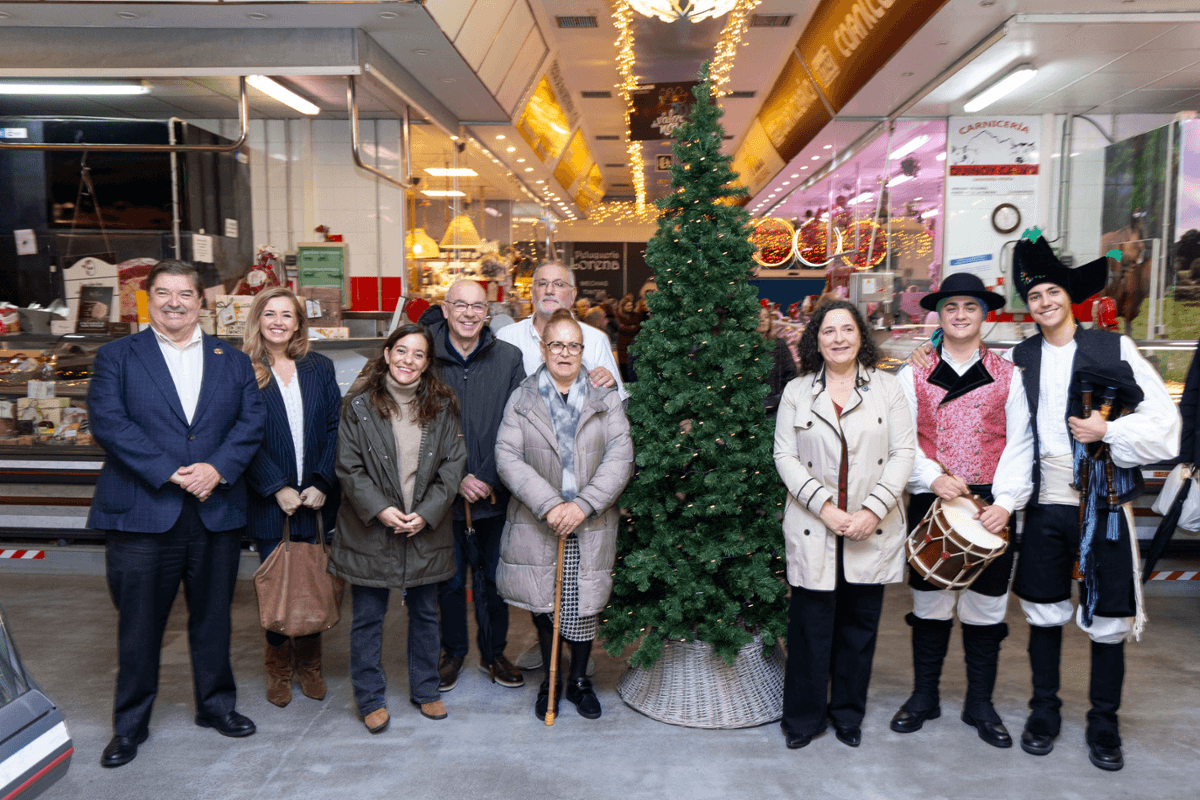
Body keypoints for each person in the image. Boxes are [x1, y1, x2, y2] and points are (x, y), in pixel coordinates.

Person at [1007, 234, 1178, 771]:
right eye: (1035, 297)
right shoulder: (1021, 358)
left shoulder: (1114, 348)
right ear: (1029, 305)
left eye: (1052, 292)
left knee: (1109, 615)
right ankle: (1044, 711)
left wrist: (1110, 429)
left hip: (1103, 501)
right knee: (1043, 610)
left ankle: (1104, 721)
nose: (1044, 303)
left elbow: (1166, 428)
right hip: (1046, 501)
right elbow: (1014, 436)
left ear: (1069, 296)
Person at [88, 260, 265, 768]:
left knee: (213, 621)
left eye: (185, 294)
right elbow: (109, 423)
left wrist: (217, 469)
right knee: (139, 625)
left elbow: (250, 423)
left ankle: (216, 707)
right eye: (163, 293)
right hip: (145, 511)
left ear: (201, 301)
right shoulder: (117, 356)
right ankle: (130, 726)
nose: (174, 303)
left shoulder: (230, 360)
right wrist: (172, 471)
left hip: (214, 509)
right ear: (149, 299)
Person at [891, 273, 1033, 749]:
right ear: (939, 314)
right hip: (934, 498)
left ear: (983, 314)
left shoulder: (1008, 374)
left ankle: (980, 704)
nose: (959, 315)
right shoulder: (912, 372)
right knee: (929, 605)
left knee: (986, 608)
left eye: (969, 307)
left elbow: (1020, 444)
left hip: (990, 503)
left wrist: (1007, 504)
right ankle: (924, 696)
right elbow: (902, 439)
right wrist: (931, 477)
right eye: (950, 307)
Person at [773, 300, 915, 750]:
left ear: (861, 336)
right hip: (816, 524)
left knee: (858, 630)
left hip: (869, 526)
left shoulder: (887, 388)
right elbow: (785, 456)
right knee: (809, 630)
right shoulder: (798, 390)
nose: (838, 338)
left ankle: (848, 714)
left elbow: (903, 454)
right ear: (816, 339)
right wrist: (827, 508)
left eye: (847, 329)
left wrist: (872, 510)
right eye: (828, 330)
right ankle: (803, 718)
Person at [495, 308, 633, 720]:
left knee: (584, 602)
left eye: (574, 345)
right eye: (557, 344)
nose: (566, 352)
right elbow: (507, 456)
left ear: (584, 349)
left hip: (590, 522)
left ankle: (578, 681)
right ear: (543, 348)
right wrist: (552, 505)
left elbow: (620, 457)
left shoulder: (605, 397)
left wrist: (582, 505)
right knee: (545, 601)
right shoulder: (523, 397)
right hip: (542, 520)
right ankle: (550, 682)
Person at [329, 324, 466, 733]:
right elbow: (348, 468)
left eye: (418, 354)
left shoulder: (443, 406)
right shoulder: (357, 406)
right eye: (401, 351)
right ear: (387, 354)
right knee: (368, 616)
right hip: (371, 528)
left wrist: (426, 512)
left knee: (426, 613)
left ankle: (426, 691)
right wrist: (382, 510)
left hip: (425, 526)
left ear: (427, 364)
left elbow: (454, 464)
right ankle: (370, 698)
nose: (408, 360)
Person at [418, 280, 526, 693]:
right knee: (446, 581)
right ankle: (453, 652)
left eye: (476, 306)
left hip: (494, 492)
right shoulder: (424, 354)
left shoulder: (508, 358)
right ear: (445, 309)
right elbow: (415, 425)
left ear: (488, 311)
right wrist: (455, 477)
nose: (468, 313)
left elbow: (518, 426)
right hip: (441, 495)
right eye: (459, 305)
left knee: (494, 581)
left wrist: (486, 476)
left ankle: (494, 652)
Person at [242, 287, 342, 708]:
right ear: (258, 320)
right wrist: (276, 486)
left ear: (300, 322)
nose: (279, 321)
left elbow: (337, 427)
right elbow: (240, 435)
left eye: (288, 314)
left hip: (317, 499)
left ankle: (311, 666)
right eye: (270, 314)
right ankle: (279, 670)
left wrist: (322, 481)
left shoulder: (319, 366)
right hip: (271, 501)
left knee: (314, 580)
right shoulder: (242, 369)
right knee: (279, 585)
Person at [497, 262, 626, 401]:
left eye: (558, 284)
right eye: (542, 284)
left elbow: (618, 402)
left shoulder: (596, 339)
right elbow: (494, 398)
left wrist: (609, 385)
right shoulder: (507, 337)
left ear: (573, 295)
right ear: (532, 293)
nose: (549, 290)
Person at [759, 304, 796, 416]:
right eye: (758, 317)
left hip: (774, 404)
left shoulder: (779, 344)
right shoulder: (743, 346)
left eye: (766, 317)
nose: (762, 320)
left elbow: (791, 374)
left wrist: (784, 397)